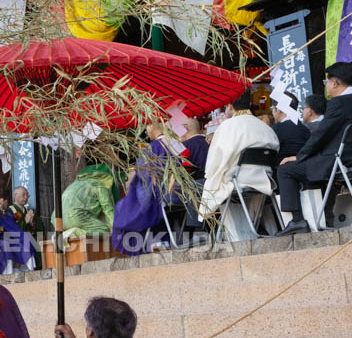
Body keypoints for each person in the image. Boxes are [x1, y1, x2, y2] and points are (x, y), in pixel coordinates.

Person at [278, 62, 352, 232]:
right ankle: (327, 216)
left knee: (286, 169)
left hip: (337, 161)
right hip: (345, 158)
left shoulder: (338, 103)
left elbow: (320, 135)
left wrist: (300, 156)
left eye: (326, 83)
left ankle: (298, 221)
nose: (326, 87)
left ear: (335, 83)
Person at [199, 90, 279, 222]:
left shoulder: (227, 126)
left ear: (230, 105)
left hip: (239, 179)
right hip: (265, 177)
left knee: (207, 183)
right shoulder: (266, 128)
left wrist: (211, 174)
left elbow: (215, 159)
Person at [112, 124, 187, 255]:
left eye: (146, 127)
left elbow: (143, 179)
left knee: (122, 208)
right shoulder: (177, 144)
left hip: (160, 196)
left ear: (152, 126)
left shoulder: (153, 148)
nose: (146, 131)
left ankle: (148, 243)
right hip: (182, 195)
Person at [62, 164, 117, 238]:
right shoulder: (99, 184)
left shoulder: (75, 184)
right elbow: (108, 208)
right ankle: (75, 232)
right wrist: (118, 228)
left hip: (58, 221)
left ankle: (64, 233)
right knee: (103, 230)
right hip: (76, 217)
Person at [272, 91, 311, 160]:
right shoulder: (306, 130)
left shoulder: (275, 130)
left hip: (280, 168)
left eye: (272, 108)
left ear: (279, 109)